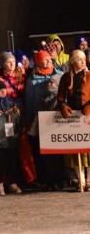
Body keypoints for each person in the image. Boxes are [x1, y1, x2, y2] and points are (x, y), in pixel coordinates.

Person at [25, 50, 63, 185]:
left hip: (58, 116)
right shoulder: (33, 79)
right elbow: (29, 101)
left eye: (48, 59)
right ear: (37, 62)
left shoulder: (60, 75)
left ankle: (60, 177)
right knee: (43, 150)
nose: (46, 62)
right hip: (40, 117)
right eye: (42, 60)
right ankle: (46, 178)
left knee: (59, 150)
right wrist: (29, 119)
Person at [57, 50, 90, 191]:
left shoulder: (89, 76)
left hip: (87, 116)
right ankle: (80, 180)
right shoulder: (65, 77)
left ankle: (89, 180)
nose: (82, 62)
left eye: (84, 59)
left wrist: (89, 105)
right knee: (76, 151)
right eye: (79, 59)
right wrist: (63, 105)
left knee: (88, 149)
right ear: (72, 61)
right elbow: (60, 96)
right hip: (73, 118)